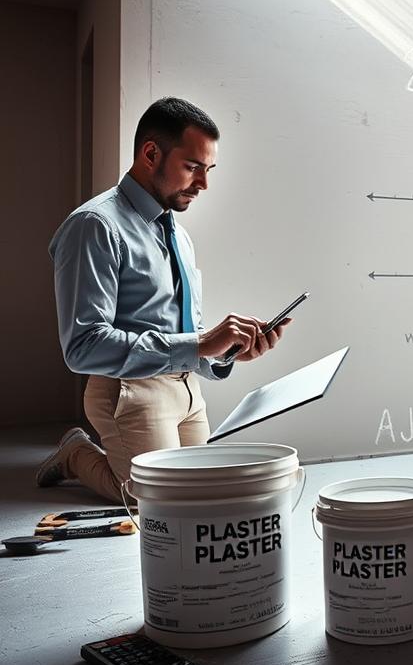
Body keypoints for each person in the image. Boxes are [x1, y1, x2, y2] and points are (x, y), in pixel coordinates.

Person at [38, 97, 288, 502]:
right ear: (151, 154)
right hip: (130, 390)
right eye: (192, 167)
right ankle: (75, 453)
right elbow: (82, 346)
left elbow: (185, 335)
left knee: (203, 495)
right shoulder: (94, 226)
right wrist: (200, 343)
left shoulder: (179, 236)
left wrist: (224, 353)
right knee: (155, 502)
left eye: (208, 170)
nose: (203, 184)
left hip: (188, 389)